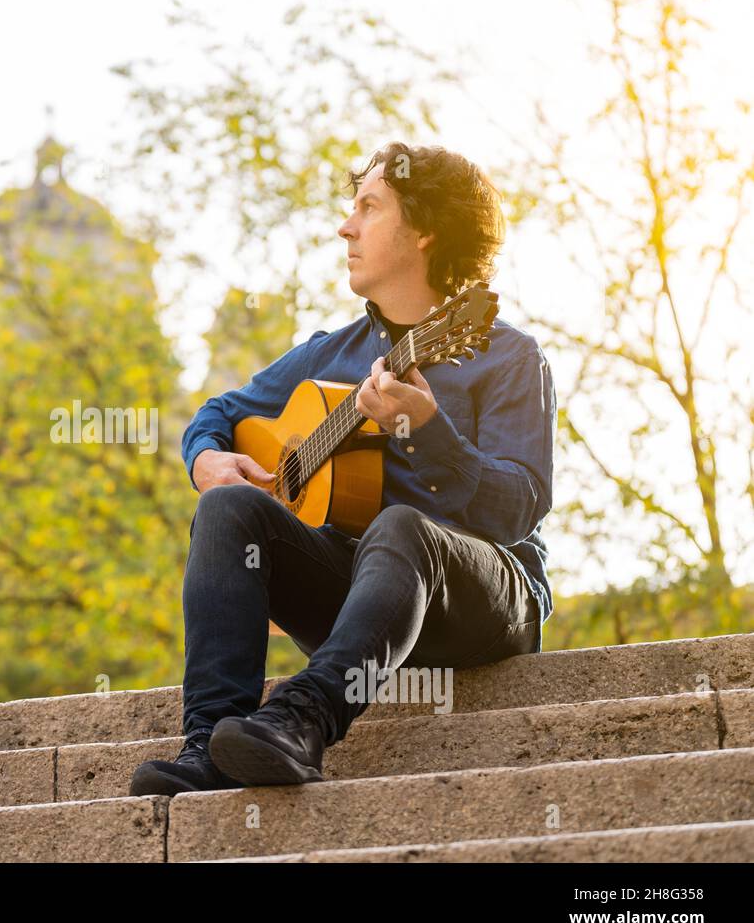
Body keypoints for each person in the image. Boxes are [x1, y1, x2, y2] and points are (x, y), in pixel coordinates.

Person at [130, 142, 555, 795]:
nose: (345, 226)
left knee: (402, 527)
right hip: (366, 609)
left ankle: (304, 720)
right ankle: (210, 744)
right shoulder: (330, 355)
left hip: (484, 604)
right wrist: (207, 459)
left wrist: (427, 429)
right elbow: (216, 413)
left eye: (368, 207)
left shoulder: (504, 355)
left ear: (425, 231)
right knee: (227, 508)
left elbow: (518, 507)